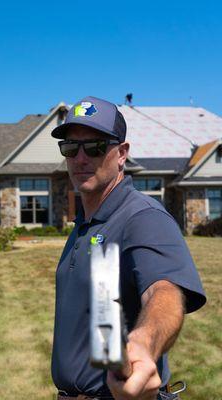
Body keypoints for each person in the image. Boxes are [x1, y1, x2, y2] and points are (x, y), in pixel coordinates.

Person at [50, 96, 206, 400]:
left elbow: (165, 290)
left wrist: (144, 344)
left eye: (94, 147)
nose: (80, 159)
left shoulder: (143, 217)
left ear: (122, 153)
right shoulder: (85, 223)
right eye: (70, 148)